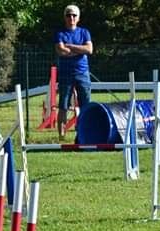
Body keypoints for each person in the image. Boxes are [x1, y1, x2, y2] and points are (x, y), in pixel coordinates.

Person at [54, 4, 93, 141]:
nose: (71, 17)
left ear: (78, 18)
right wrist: (79, 50)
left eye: (74, 15)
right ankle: (62, 136)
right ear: (65, 17)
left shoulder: (84, 32)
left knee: (86, 105)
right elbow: (60, 51)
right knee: (63, 105)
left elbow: (89, 50)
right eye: (69, 15)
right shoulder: (60, 33)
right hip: (65, 74)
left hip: (82, 73)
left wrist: (70, 46)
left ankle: (85, 133)